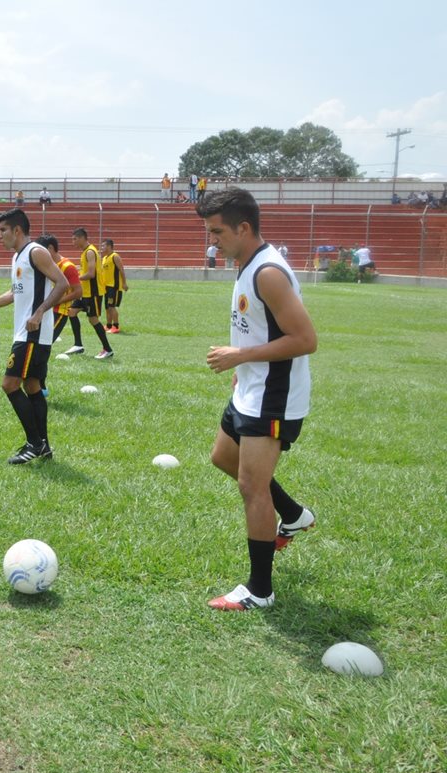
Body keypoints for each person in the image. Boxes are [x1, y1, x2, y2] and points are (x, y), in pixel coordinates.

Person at [197, 187, 317, 611]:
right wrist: (243, 368)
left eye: (217, 232)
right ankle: (295, 515)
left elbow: (305, 340)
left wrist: (240, 356)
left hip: (273, 397)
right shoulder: (247, 264)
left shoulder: (267, 272)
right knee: (222, 457)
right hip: (251, 386)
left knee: (252, 485)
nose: (212, 241)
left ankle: (260, 590)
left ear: (243, 228)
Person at [0, 209, 70, 464]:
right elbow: (13, 294)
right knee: (32, 386)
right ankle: (43, 447)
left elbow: (62, 283)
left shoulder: (36, 252)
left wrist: (40, 312)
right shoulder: (18, 257)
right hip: (27, 332)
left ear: (17, 230)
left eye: (3, 231)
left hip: (32, 334)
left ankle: (33, 443)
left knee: (9, 384)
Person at [67, 228, 115, 358]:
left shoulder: (90, 252)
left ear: (82, 238)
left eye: (75, 239)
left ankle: (107, 349)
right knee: (71, 312)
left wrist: (74, 278)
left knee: (93, 319)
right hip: (84, 292)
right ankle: (78, 345)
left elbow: (90, 274)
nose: (73, 242)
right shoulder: (85, 252)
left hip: (93, 293)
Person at [38, 236, 82, 345]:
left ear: (50, 248)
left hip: (60, 311)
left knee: (43, 343)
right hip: (47, 309)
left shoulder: (68, 267)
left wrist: (57, 300)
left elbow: (78, 292)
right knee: (38, 342)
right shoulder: (48, 265)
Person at [99, 238, 128, 333]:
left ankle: (116, 326)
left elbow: (121, 270)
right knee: (107, 307)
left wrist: (124, 283)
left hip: (113, 286)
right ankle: (108, 325)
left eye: (103, 245)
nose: (101, 247)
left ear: (109, 246)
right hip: (106, 287)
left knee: (112, 306)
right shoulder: (104, 259)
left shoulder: (115, 256)